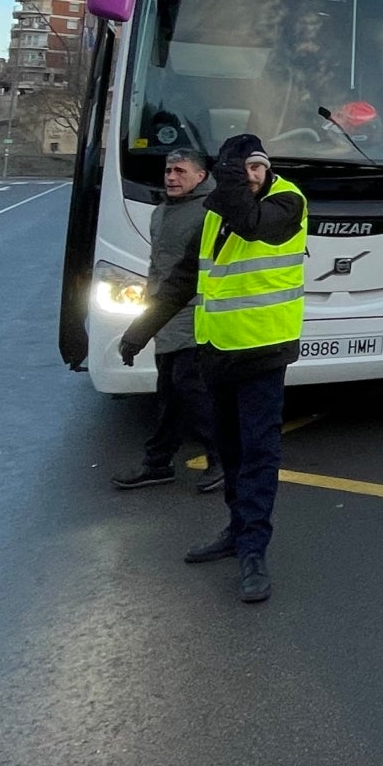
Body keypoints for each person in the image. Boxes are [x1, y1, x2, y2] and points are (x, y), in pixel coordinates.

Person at [120, 132, 307, 605]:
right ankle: (235, 531)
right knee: (230, 452)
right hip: (218, 354)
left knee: (259, 455)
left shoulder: (288, 201)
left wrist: (229, 182)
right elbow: (184, 280)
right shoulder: (214, 214)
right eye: (241, 168)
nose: (251, 176)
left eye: (256, 167)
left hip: (264, 352)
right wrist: (140, 331)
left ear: (267, 168)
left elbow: (251, 224)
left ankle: (253, 551)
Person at [112, 148, 220, 494]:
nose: (171, 177)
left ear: (201, 177)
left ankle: (220, 458)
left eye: (180, 171)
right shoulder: (159, 214)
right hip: (164, 315)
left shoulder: (211, 212)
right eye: (168, 170)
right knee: (170, 394)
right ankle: (158, 463)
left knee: (191, 390)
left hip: (193, 316)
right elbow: (157, 269)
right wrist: (148, 318)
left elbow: (197, 274)